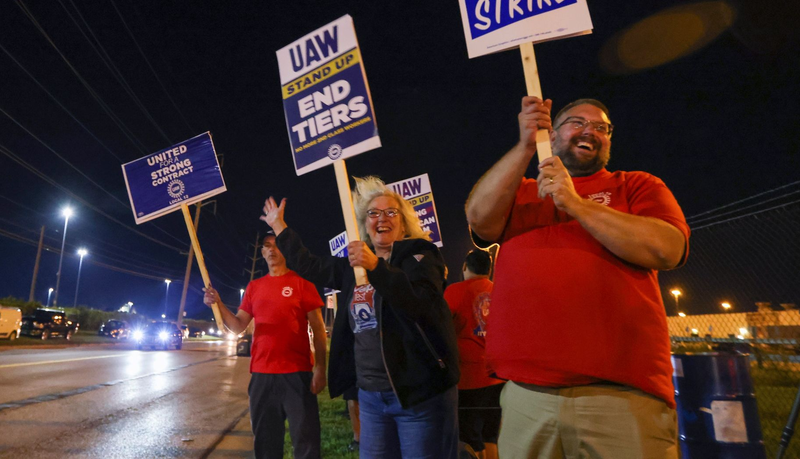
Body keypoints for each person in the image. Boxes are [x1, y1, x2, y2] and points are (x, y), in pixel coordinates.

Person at [465, 97, 690, 459]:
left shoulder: (636, 185)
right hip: (527, 396)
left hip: (620, 397)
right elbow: (479, 218)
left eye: (601, 127)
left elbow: (667, 248)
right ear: (551, 135)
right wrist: (524, 145)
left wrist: (576, 203)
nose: (590, 131)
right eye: (576, 122)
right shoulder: (520, 192)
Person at [261, 175, 460, 459]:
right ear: (363, 224)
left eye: (391, 212)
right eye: (373, 213)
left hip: (418, 396)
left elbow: (420, 304)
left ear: (403, 223)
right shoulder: (353, 269)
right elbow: (310, 265)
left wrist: (376, 266)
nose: (382, 218)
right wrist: (279, 226)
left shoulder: (422, 256)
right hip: (371, 398)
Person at [203, 232, 327, 459]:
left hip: (297, 375)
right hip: (262, 376)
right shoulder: (254, 287)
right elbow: (239, 326)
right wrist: (218, 304)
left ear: (286, 250)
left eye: (277, 245)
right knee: (266, 442)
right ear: (261, 252)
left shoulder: (303, 285)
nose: (271, 250)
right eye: (267, 246)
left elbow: (319, 330)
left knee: (306, 440)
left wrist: (320, 368)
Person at [444, 249, 503, 459]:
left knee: (469, 438)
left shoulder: (454, 291)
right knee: (490, 435)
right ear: (489, 270)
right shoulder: (500, 291)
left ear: (464, 267)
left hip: (468, 378)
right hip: (498, 378)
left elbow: (442, 327)